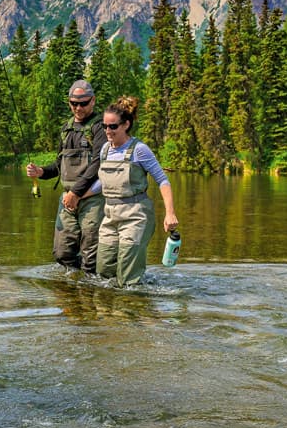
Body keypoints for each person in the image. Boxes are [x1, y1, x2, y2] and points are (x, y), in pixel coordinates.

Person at [88, 95, 179, 287]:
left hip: (136, 215)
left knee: (127, 276)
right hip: (110, 215)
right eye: (105, 126)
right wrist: (79, 197)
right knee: (104, 271)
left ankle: (131, 309)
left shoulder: (140, 150)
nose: (107, 131)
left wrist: (170, 214)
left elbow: (163, 180)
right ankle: (108, 315)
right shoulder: (105, 149)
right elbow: (102, 182)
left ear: (126, 125)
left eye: (113, 126)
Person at [24, 80, 105, 272]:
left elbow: (98, 164)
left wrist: (76, 193)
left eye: (83, 103)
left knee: (91, 256)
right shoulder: (65, 129)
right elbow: (59, 165)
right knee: (62, 253)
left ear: (92, 101)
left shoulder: (100, 127)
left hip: (92, 198)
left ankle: (92, 293)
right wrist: (41, 172)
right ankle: (73, 294)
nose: (78, 108)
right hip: (67, 199)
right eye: (73, 103)